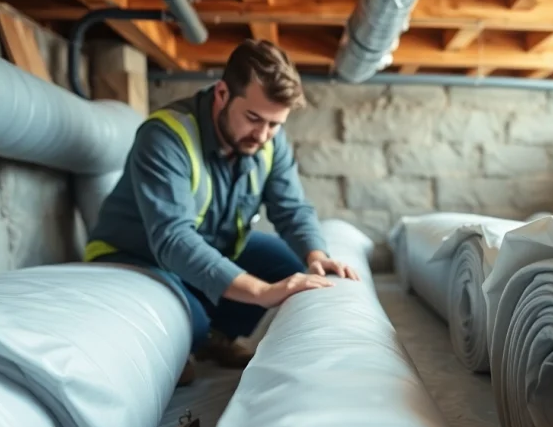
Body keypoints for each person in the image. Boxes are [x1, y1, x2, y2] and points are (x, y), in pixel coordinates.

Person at [84, 39, 359, 381]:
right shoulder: (166, 137)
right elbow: (173, 240)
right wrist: (260, 293)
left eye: (275, 124)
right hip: (136, 255)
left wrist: (316, 254)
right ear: (222, 94)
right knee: (192, 324)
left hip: (206, 247)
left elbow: (291, 208)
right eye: (253, 118)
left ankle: (216, 336)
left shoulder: (270, 140)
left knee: (289, 265)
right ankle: (195, 335)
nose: (262, 135)